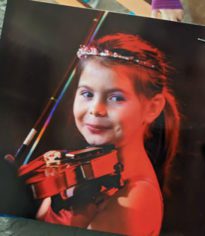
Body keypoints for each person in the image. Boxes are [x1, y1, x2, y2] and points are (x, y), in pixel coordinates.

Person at [36, 33, 180, 235]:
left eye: (116, 98)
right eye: (87, 94)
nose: (97, 109)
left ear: (152, 108)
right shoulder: (75, 174)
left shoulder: (135, 198)